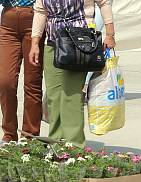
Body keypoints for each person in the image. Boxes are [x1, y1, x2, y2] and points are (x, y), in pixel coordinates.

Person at [28, 0, 114, 146]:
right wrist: (34, 43)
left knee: (71, 95)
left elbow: (104, 3)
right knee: (53, 96)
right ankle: (56, 141)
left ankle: (74, 144)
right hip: (53, 44)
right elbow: (40, 12)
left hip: (79, 44)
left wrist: (110, 34)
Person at [0, 0, 43, 143]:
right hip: (8, 18)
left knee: (33, 82)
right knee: (5, 81)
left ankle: (29, 137)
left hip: (35, 17)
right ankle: (9, 134)